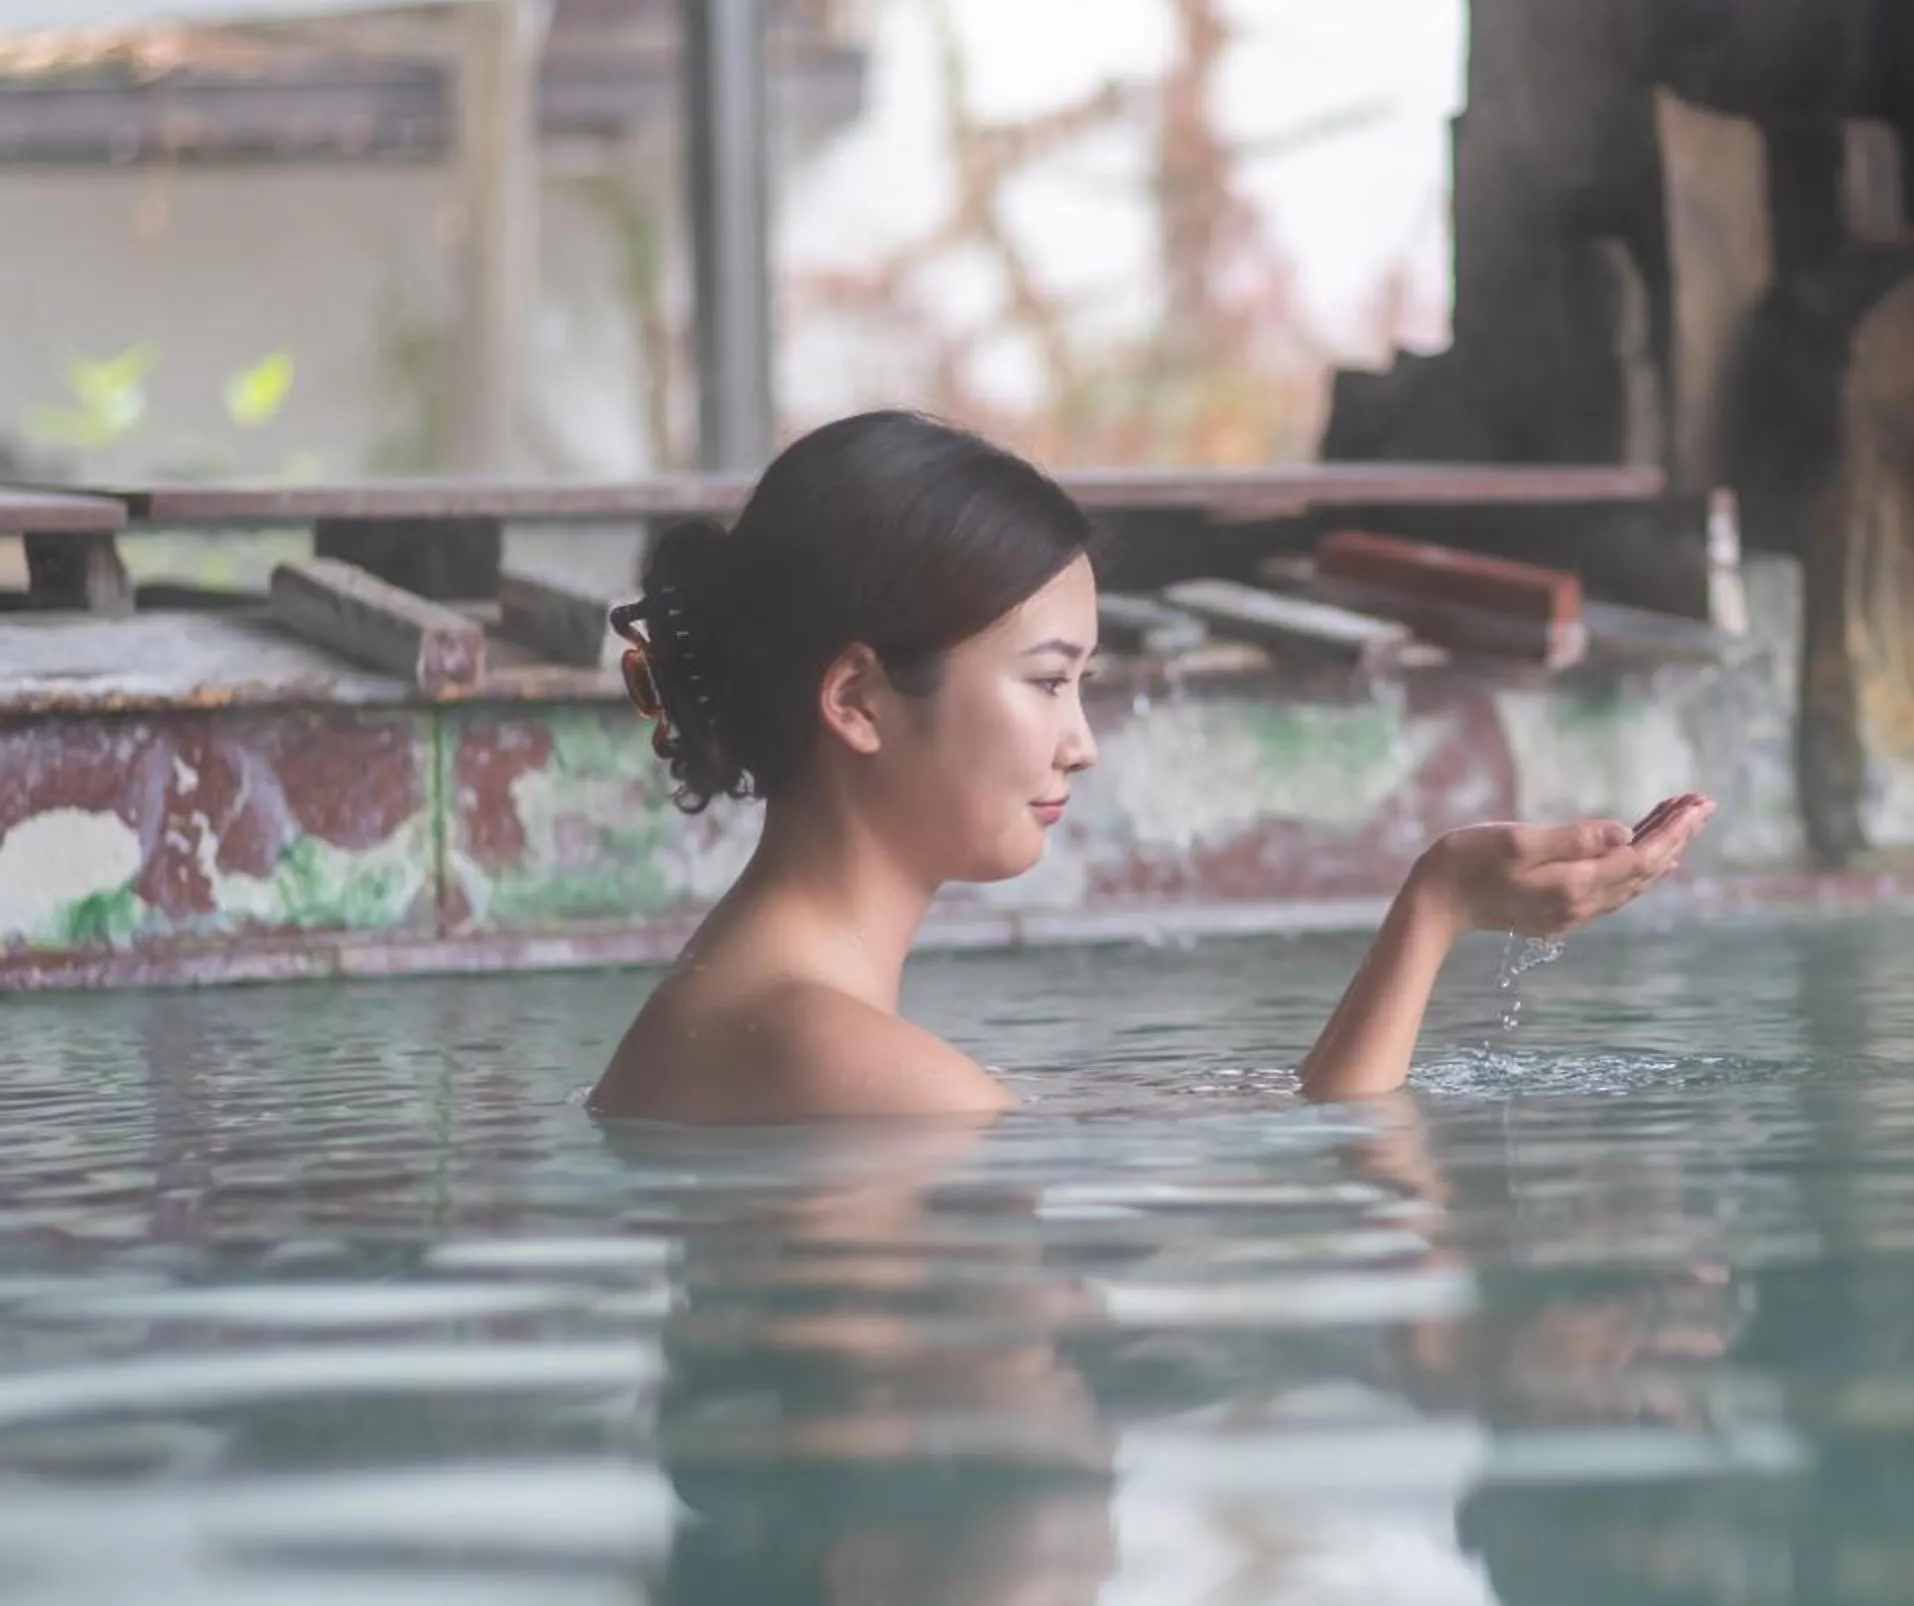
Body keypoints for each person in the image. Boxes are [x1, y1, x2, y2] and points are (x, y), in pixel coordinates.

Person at [587, 410, 1714, 1124]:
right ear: (857, 699)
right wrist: (1440, 905)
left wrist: (1438, 902)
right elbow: (1347, 1192)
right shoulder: (844, 1061)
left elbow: (1259, 1121)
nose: (1082, 740)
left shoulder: (767, 1016)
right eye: (1045, 681)